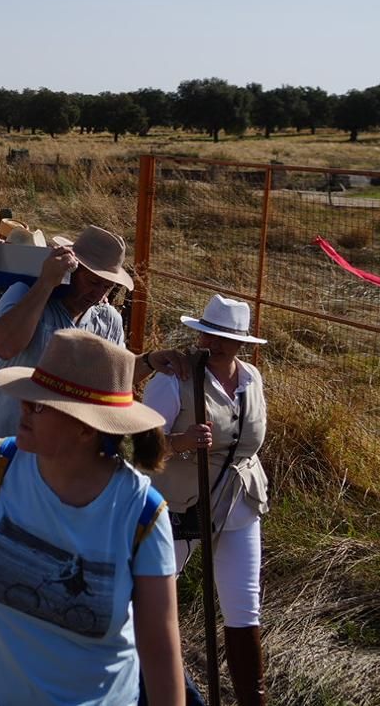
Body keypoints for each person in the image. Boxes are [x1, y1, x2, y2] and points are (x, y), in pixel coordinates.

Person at [0, 330, 185, 706]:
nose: (23, 408)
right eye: (29, 398)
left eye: (41, 405)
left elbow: (159, 647)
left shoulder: (141, 513)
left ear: (86, 428)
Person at [141, 295, 269, 706]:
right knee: (151, 599)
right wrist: (180, 442)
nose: (214, 344)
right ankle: (162, 691)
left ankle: (254, 700)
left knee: (244, 607)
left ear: (242, 343)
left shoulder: (251, 378)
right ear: (198, 333)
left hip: (239, 504)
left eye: (225, 338)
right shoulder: (174, 379)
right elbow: (136, 445)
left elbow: (248, 444)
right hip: (179, 506)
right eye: (209, 335)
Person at [0, 225, 131, 445]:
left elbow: (115, 385)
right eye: (93, 282)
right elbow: (5, 346)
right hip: (8, 447)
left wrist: (149, 362)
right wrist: (46, 282)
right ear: (72, 270)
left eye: (107, 286)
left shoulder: (108, 320)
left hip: (63, 457)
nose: (98, 294)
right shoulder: (24, 293)